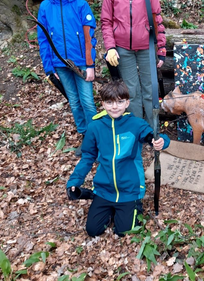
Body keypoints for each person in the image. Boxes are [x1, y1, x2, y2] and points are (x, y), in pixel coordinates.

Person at [66, 80, 170, 237]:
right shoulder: (95, 127)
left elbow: (152, 137)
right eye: (109, 102)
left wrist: (161, 141)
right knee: (93, 231)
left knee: (125, 231)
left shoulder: (136, 124)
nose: (115, 107)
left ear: (127, 102)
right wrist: (75, 181)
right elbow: (88, 157)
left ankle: (131, 208)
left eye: (120, 102)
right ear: (103, 104)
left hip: (129, 189)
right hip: (104, 189)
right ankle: (103, 205)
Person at [37, 0, 97, 156]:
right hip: (59, 64)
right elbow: (43, 38)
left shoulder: (80, 5)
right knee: (74, 101)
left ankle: (97, 139)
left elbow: (90, 38)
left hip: (80, 63)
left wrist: (90, 65)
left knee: (87, 101)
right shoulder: (45, 7)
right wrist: (49, 67)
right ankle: (85, 137)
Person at [100, 0, 166, 126]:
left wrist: (161, 49)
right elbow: (106, 22)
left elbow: (157, 20)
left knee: (149, 90)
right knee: (132, 91)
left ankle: (152, 129)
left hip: (146, 48)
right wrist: (111, 47)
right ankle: (137, 129)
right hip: (123, 49)